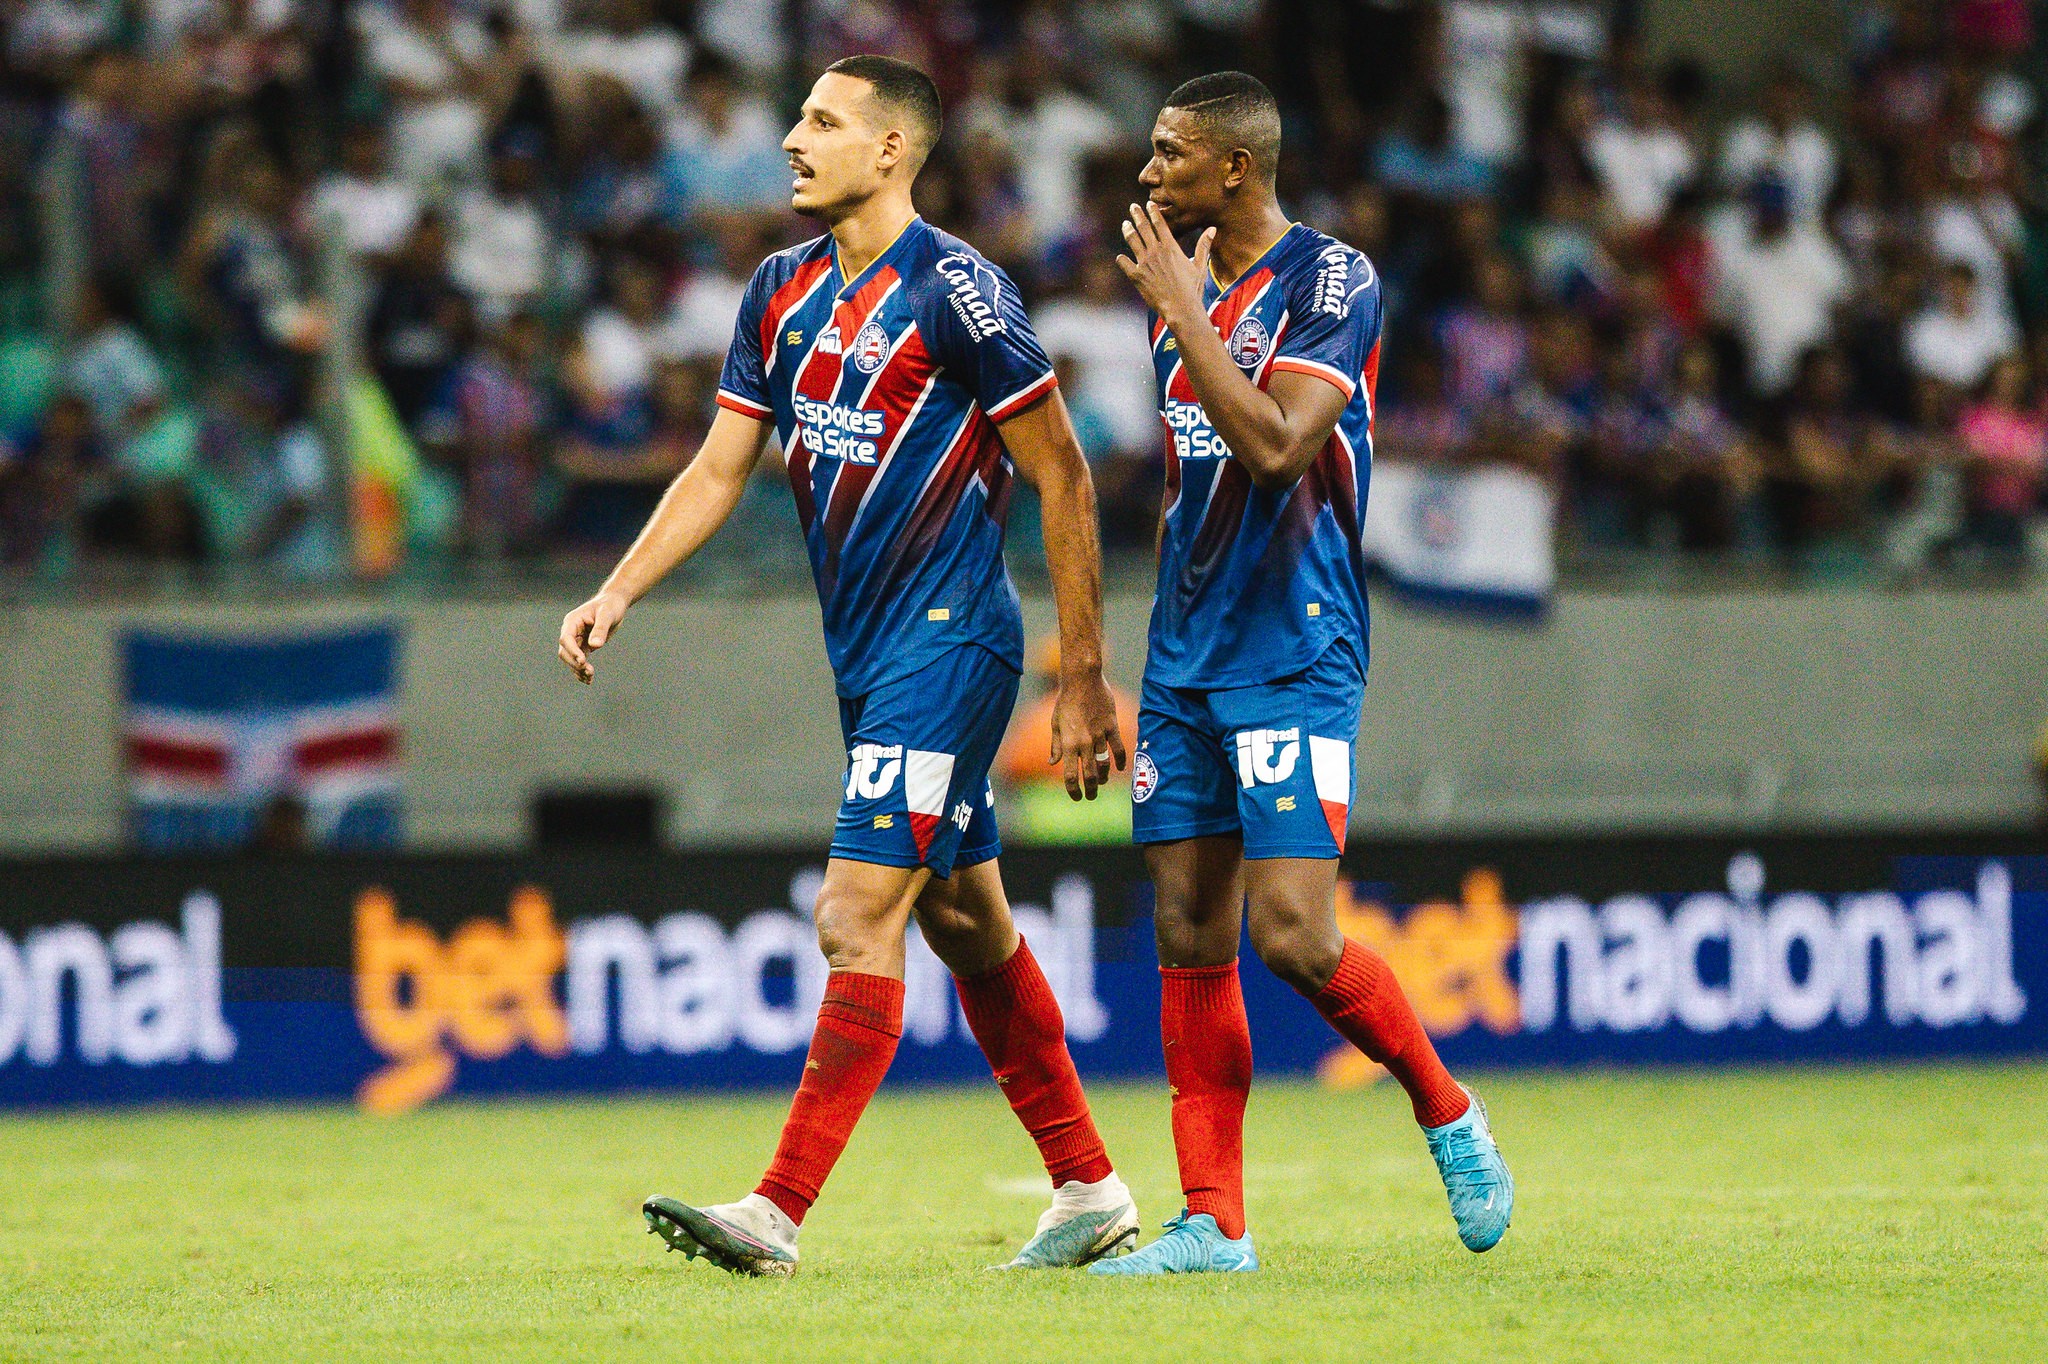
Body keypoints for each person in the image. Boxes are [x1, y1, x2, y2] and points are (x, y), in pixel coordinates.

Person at [557, 55, 1138, 1276]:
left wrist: (1081, 674)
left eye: (821, 121)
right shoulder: (776, 292)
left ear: (891, 150)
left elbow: (1063, 473)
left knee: (852, 909)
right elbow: (719, 468)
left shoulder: (961, 292)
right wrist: (618, 587)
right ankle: (1087, 1184)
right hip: (867, 658)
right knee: (967, 920)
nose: (790, 137)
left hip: (952, 640)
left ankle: (775, 1210)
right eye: (797, 116)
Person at [1096, 71, 1512, 1276]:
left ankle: (1445, 1107)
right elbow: (1190, 480)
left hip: (1295, 648)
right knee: (1185, 923)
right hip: (1185, 659)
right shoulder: (1182, 286)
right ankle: (1212, 1222)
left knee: (1290, 934)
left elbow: (1277, 449)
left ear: (1233, 168)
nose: (1147, 172)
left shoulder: (1333, 279)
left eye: (1169, 153)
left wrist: (1183, 314)